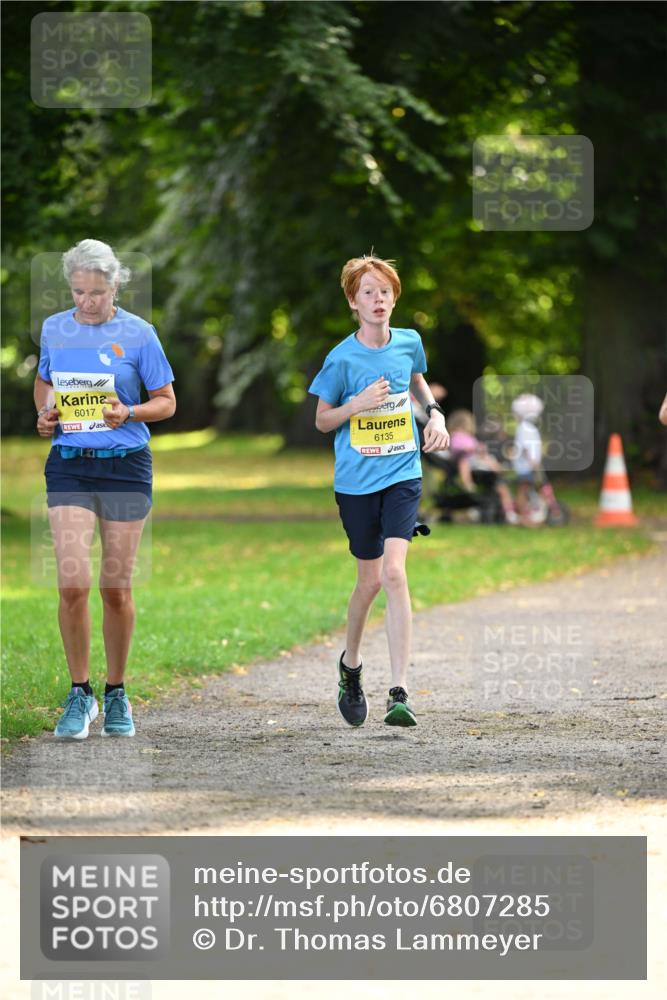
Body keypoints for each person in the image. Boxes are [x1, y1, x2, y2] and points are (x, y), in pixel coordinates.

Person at [34, 239, 176, 739]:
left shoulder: (139, 334)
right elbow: (44, 381)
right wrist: (45, 412)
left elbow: (166, 401)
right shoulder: (55, 328)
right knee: (71, 583)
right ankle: (80, 692)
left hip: (126, 467)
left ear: (115, 286)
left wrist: (129, 412)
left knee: (115, 588)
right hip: (69, 466)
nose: (87, 302)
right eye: (78, 292)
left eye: (96, 292)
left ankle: (116, 692)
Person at [309, 254, 449, 728]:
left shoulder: (409, 341)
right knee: (368, 582)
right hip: (356, 483)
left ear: (394, 298)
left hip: (403, 473)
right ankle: (350, 667)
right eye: (368, 292)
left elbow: (417, 381)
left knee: (394, 573)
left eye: (385, 292)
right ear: (354, 302)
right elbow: (322, 420)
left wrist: (436, 415)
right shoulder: (341, 358)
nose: (378, 300)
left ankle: (399, 690)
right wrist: (356, 404)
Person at [446, 409, 518, 524]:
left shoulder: (470, 437)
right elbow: (456, 449)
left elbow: (478, 448)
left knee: (489, 461)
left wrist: (480, 450)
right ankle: (467, 483)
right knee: (464, 461)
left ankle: (498, 469)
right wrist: (472, 449)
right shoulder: (456, 436)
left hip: (478, 462)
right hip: (469, 462)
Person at [511, 393, 544, 525]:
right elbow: (526, 447)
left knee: (525, 490)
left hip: (526, 466)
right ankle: (523, 517)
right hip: (525, 466)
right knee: (523, 490)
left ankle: (525, 515)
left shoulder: (526, 428)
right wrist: (533, 462)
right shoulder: (526, 428)